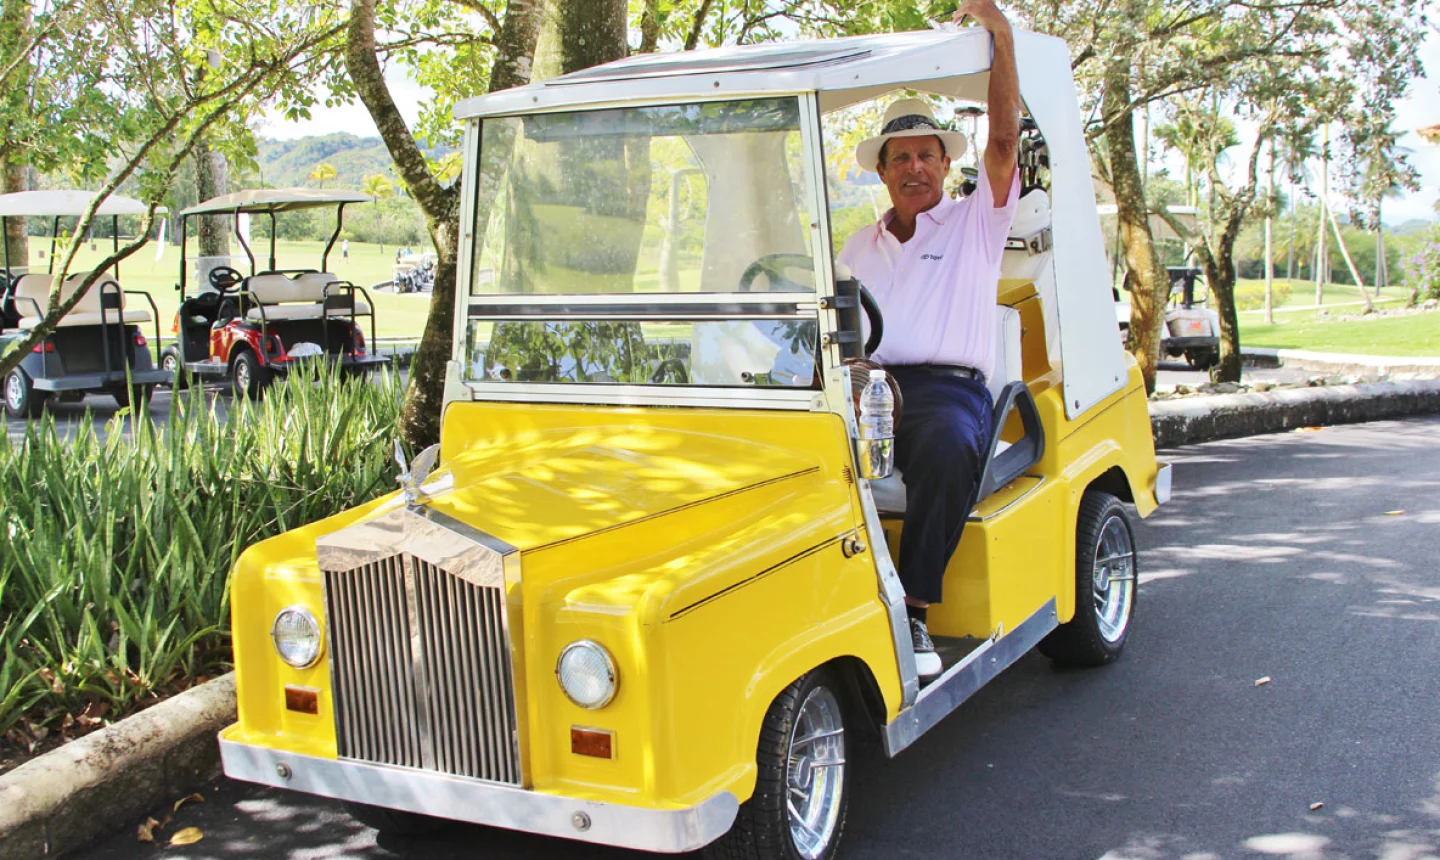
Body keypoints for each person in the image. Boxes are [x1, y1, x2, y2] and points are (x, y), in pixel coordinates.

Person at [836, 0, 1020, 679]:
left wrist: (998, 36)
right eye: (900, 157)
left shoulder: (976, 221)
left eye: (926, 155)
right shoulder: (860, 244)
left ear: (945, 165)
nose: (915, 167)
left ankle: (913, 611)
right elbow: (844, 330)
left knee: (944, 446)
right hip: (872, 385)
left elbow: (1004, 144)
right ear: (882, 171)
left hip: (948, 391)